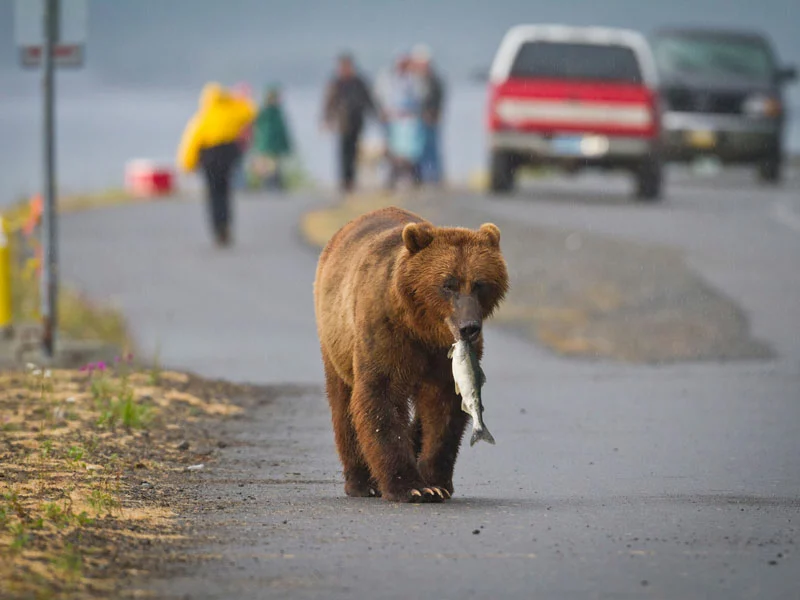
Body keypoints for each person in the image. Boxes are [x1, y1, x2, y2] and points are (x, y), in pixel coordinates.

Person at [177, 82, 256, 247]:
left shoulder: (202, 118)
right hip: (227, 155)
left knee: (213, 195)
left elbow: (191, 142)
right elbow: (250, 112)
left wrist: (187, 165)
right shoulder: (232, 112)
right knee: (225, 192)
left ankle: (217, 228)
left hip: (209, 158)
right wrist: (237, 99)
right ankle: (226, 225)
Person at [322, 53, 376, 193]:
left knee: (354, 152)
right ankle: (345, 181)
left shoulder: (359, 82)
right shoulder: (336, 83)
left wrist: (375, 114)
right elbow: (329, 102)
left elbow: (369, 99)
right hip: (343, 123)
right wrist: (327, 119)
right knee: (343, 152)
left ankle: (352, 180)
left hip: (357, 122)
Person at [374, 53, 425, 189]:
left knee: (411, 153)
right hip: (393, 121)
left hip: (409, 120)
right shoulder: (389, 78)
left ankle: (414, 179)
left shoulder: (413, 78)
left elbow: (418, 98)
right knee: (393, 152)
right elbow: (382, 98)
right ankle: (392, 180)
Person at [411, 44, 445, 185]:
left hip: (431, 119)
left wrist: (434, 114)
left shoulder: (434, 80)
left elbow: (438, 98)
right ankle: (420, 177)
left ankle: (435, 177)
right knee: (418, 149)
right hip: (418, 119)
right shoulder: (414, 79)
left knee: (432, 149)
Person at [251, 85, 293, 190]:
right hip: (267, 143)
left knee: (272, 165)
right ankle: (270, 184)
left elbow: (281, 131)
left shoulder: (274, 112)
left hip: (271, 144)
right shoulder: (268, 112)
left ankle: (273, 184)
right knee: (269, 165)